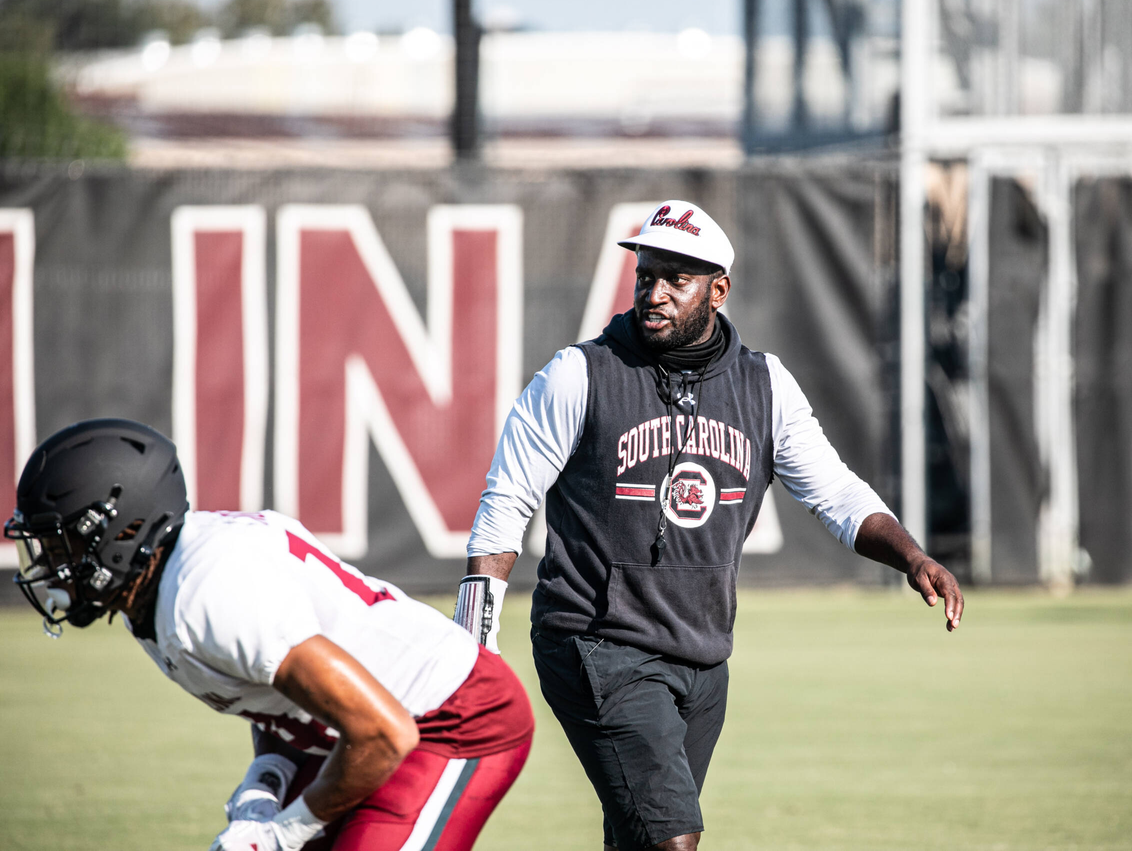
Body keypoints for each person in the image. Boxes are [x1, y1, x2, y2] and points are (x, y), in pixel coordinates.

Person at [453, 199, 964, 851]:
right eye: (646, 275)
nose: (654, 292)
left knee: (639, 839)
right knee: (675, 839)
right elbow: (505, 502)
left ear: (718, 290)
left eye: (677, 278)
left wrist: (913, 558)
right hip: (594, 642)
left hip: (702, 655)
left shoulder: (764, 385)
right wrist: (474, 641)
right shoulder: (578, 375)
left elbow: (836, 494)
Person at [9, 418, 534, 851]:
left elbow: (385, 733)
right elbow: (275, 696)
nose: (52, 567)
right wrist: (264, 782)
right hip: (360, 730)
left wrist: (281, 833)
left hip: (452, 721)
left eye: (63, 547)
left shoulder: (205, 592)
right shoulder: (151, 594)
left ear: (123, 531)